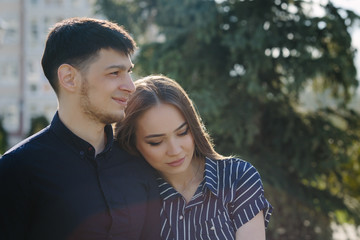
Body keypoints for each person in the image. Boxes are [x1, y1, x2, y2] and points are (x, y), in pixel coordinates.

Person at [0, 17, 161, 240]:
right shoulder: (16, 170)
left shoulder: (139, 160)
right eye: (114, 73)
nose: (130, 86)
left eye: (129, 72)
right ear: (69, 78)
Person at [115, 75, 273, 240]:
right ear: (132, 143)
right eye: (156, 142)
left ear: (193, 126)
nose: (175, 150)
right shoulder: (131, 197)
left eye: (182, 132)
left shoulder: (238, 177)